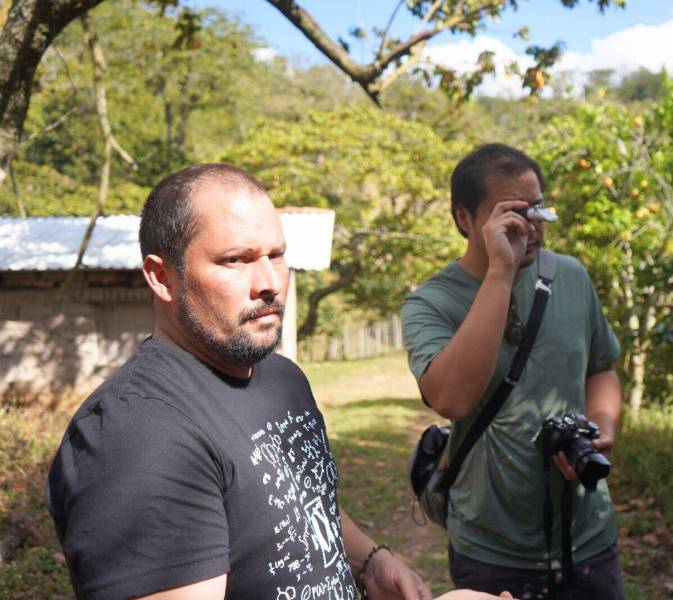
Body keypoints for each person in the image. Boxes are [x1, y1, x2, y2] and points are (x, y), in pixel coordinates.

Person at [46, 163, 512, 600]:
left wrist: (369, 559)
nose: (269, 282)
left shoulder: (280, 377)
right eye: (235, 260)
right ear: (162, 277)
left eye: (277, 255)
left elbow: (290, 501)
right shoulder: (136, 436)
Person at [402, 144, 625, 599]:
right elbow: (451, 399)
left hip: (587, 540)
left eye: (537, 208)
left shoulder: (571, 277)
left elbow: (601, 369)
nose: (532, 226)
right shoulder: (432, 303)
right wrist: (500, 271)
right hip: (491, 552)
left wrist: (602, 426)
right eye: (514, 213)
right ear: (466, 219)